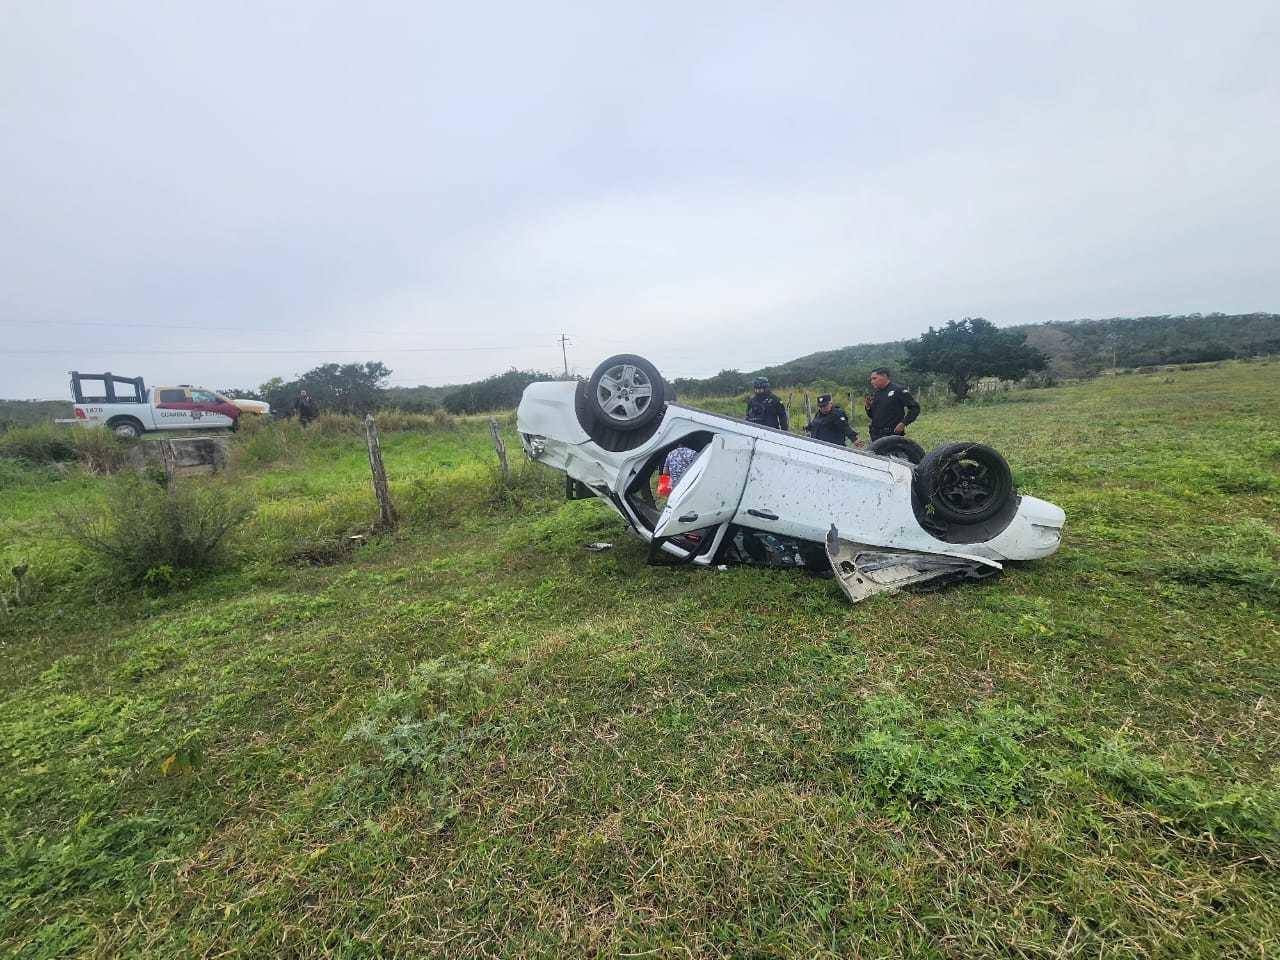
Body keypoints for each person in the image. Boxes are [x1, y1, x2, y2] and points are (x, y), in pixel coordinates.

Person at [864, 367, 919, 442]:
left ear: (884, 376)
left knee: (892, 453)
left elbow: (915, 408)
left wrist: (903, 423)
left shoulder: (898, 390)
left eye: (874, 378)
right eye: (871, 379)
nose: (872, 381)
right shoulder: (877, 393)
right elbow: (873, 416)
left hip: (892, 434)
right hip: (876, 435)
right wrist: (868, 407)